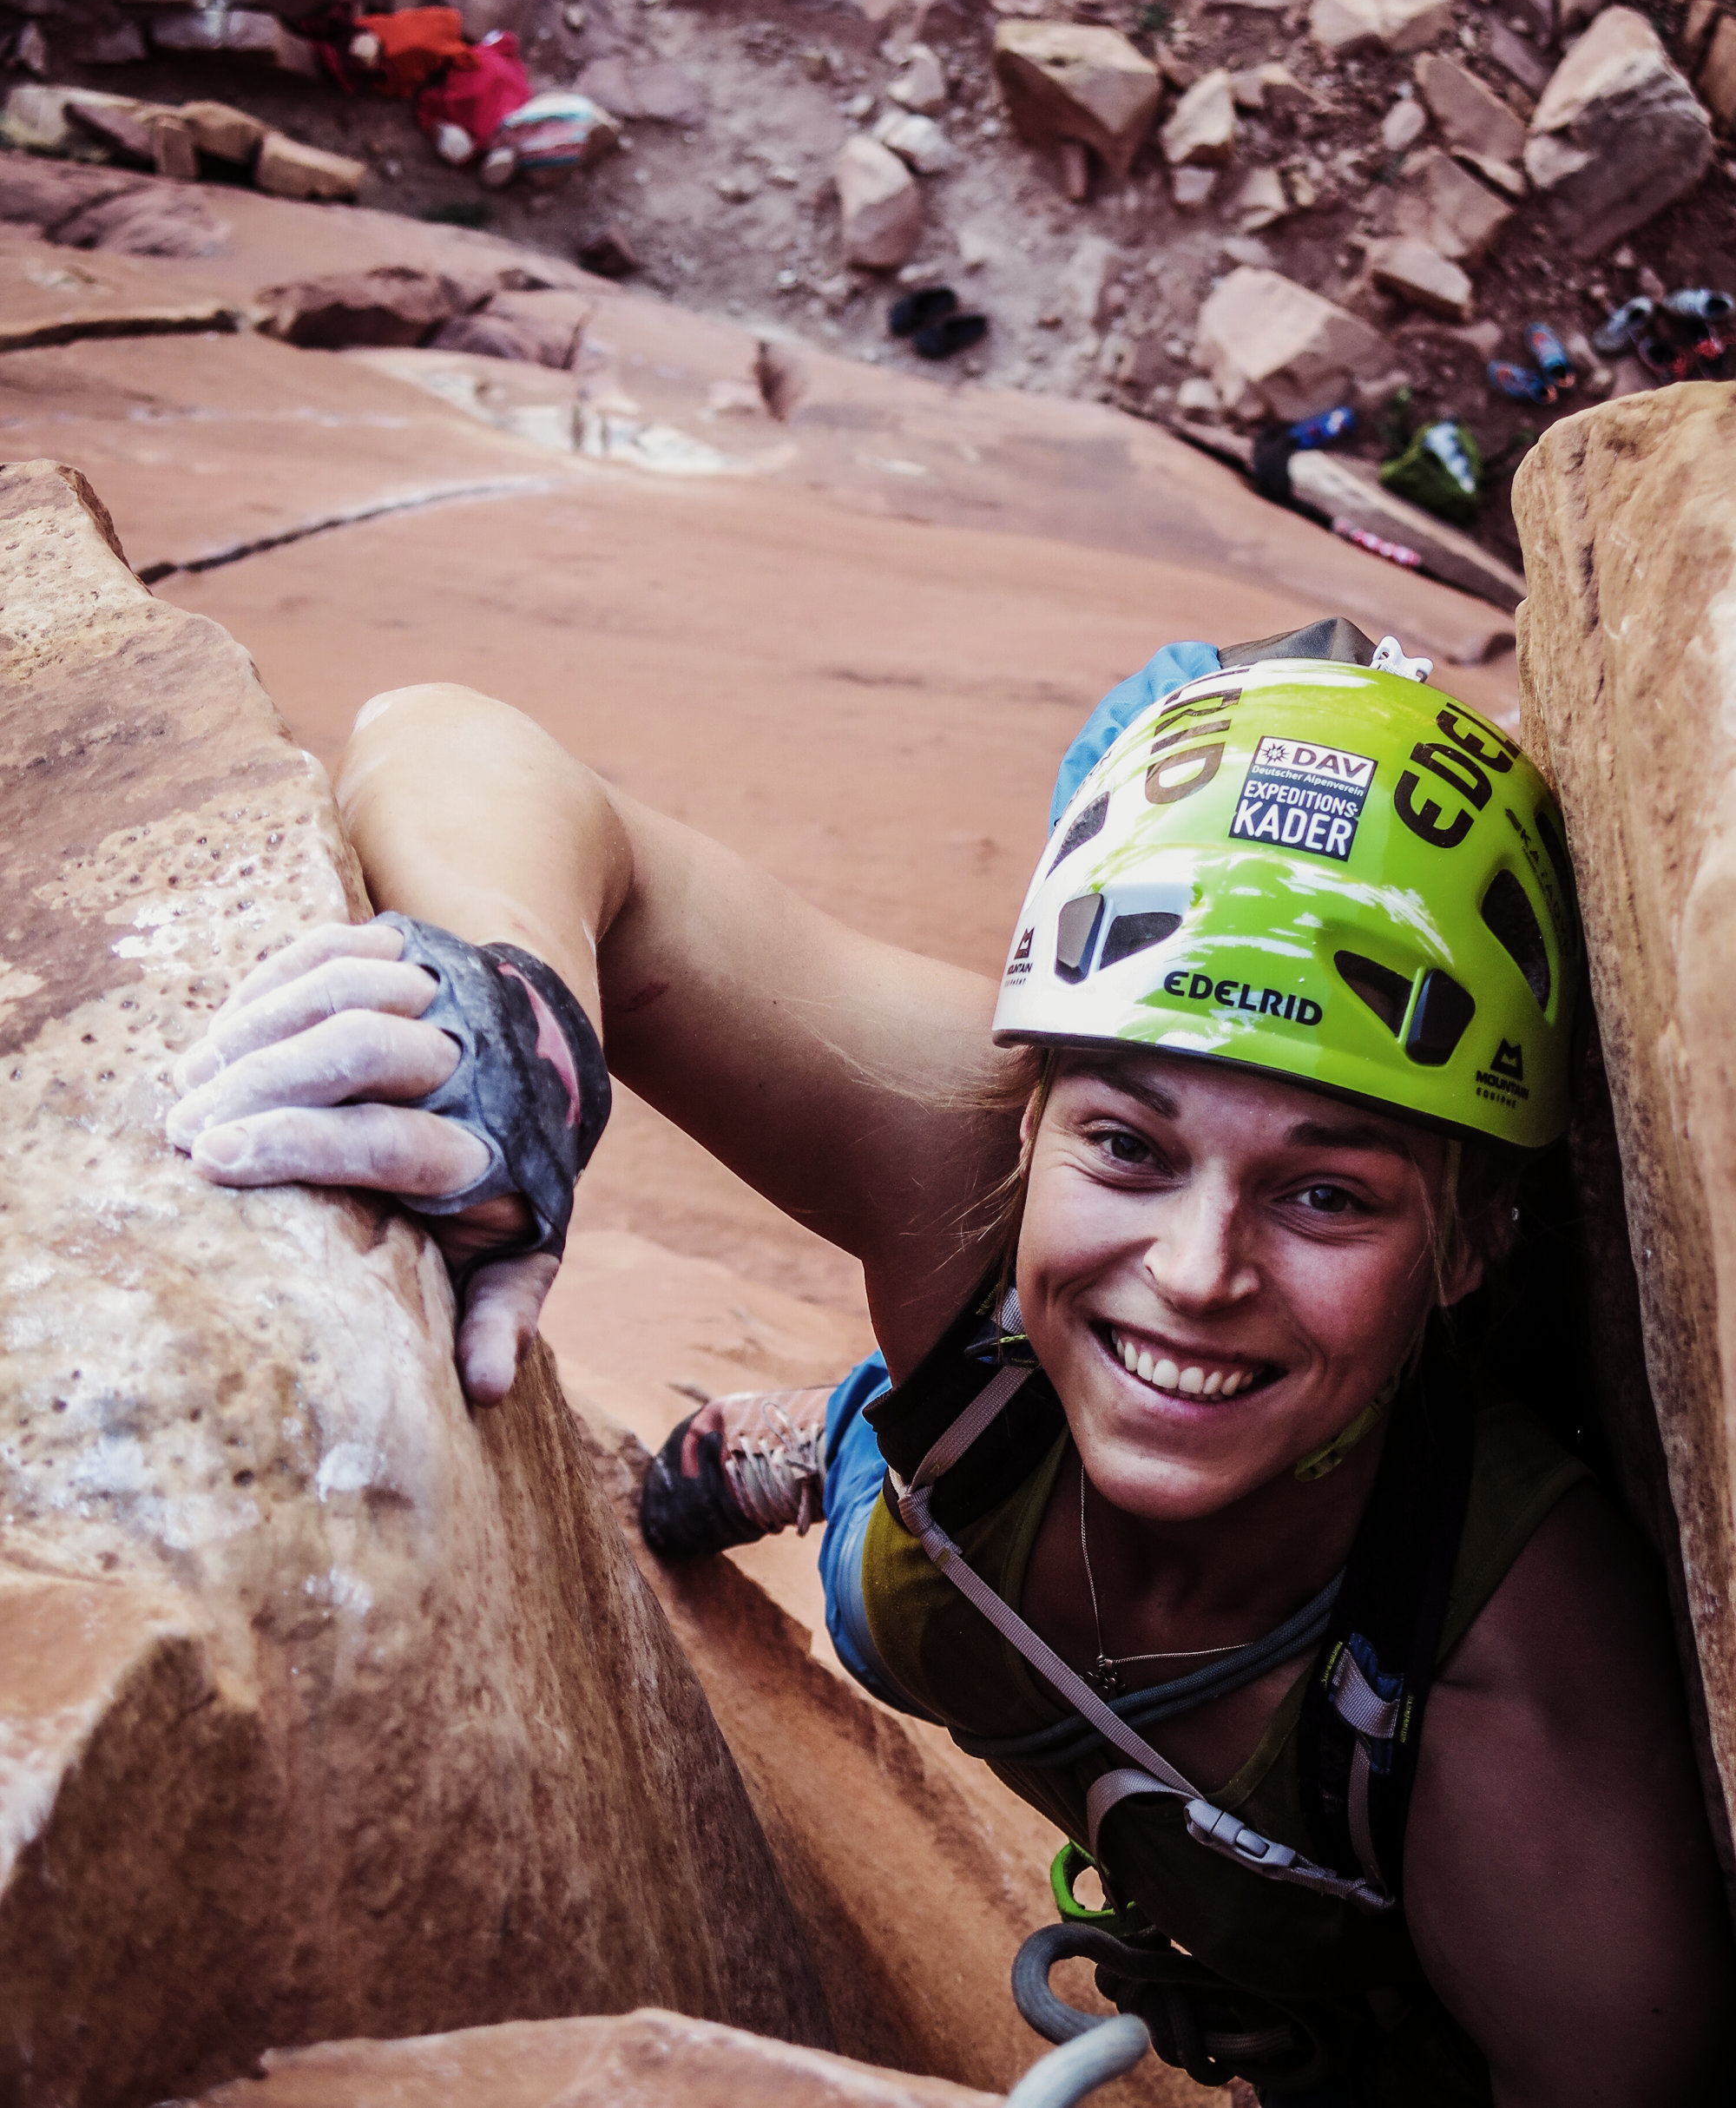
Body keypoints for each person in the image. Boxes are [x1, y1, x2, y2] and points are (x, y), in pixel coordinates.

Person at [167, 620, 1735, 2107]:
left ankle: (863, 1432)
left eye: (1328, 1192)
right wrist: (520, 1012)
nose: (1197, 1272)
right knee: (937, 1468)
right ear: (1032, 1116)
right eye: (1128, 1143)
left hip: (1076, 1510)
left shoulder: (1520, 1728)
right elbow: (441, 740)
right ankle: (851, 1435)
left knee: (984, 1438)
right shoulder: (976, 1164)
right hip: (988, 1429)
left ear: (1467, 1249)